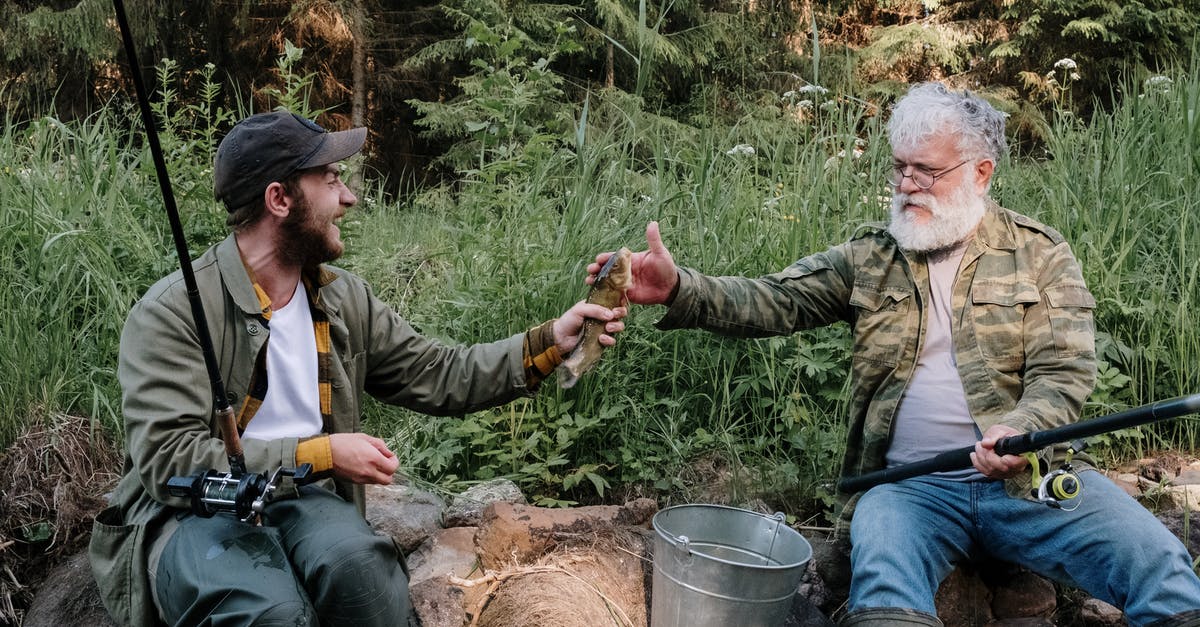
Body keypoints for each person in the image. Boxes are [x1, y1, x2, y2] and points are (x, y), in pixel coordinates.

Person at [591, 82, 1200, 626]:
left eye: (927, 171)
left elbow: (1063, 371)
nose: (908, 184)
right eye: (900, 167)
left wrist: (1023, 428)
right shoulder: (871, 256)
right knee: (881, 580)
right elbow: (775, 300)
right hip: (906, 488)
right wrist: (676, 287)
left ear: (981, 173)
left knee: (1160, 565)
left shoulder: (1040, 254)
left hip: (1029, 484)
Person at [89, 110, 626, 627]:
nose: (348, 197)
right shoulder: (173, 311)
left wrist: (551, 343)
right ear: (280, 198)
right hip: (193, 516)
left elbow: (439, 371)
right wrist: (323, 453)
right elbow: (170, 463)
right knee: (267, 611)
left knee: (364, 576)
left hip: (300, 500)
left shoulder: (342, 298)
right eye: (331, 179)